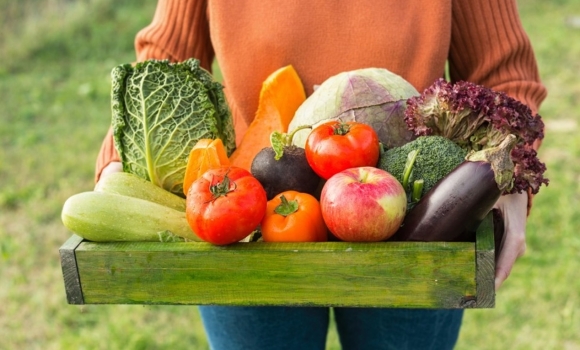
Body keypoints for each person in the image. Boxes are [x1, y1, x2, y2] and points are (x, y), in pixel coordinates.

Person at [95, 1, 547, 349]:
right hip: (246, 215)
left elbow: (503, 71)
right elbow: (166, 57)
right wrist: (126, 154)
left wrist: (508, 173)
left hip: (417, 218)